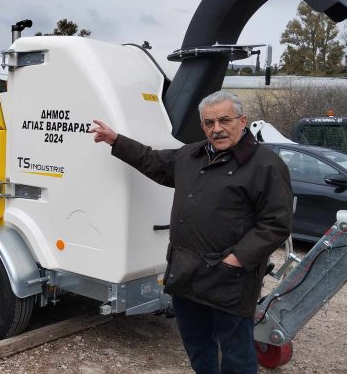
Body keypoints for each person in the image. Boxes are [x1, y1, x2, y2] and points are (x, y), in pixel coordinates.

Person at [89, 90, 292, 374]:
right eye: (209, 123)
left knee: (236, 355)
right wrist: (116, 140)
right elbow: (153, 161)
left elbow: (276, 223)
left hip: (230, 280)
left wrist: (236, 259)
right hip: (187, 274)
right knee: (198, 346)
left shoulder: (266, 165)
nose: (217, 129)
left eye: (224, 120)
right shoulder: (191, 155)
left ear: (242, 121)